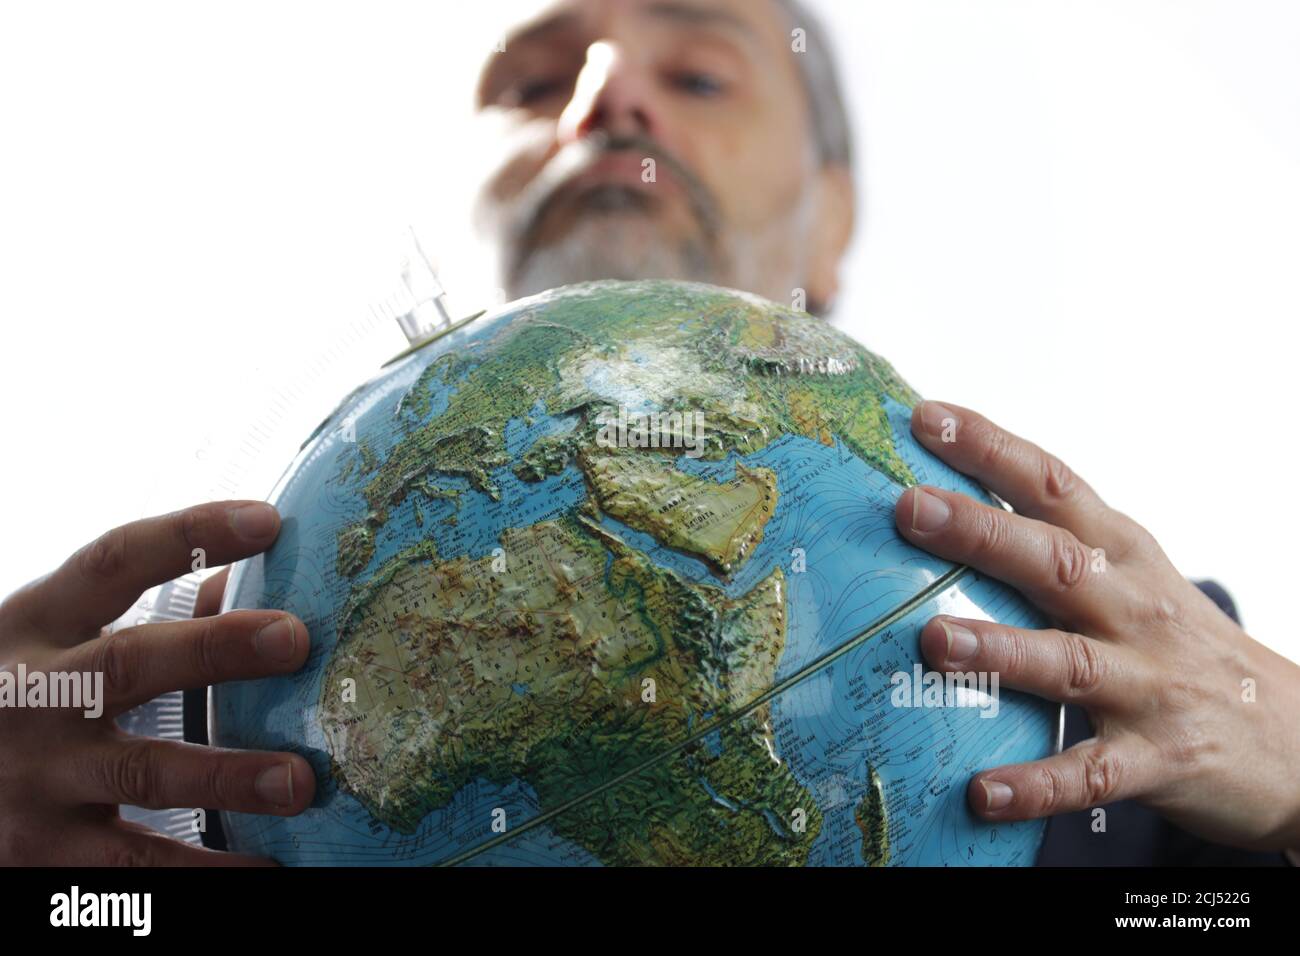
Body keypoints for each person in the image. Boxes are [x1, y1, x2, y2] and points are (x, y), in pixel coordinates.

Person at [1, 0, 1297, 866]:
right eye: (534, 81)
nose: (611, 93)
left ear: (834, 221)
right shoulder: (107, 706)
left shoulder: (1149, 683)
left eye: (699, 70)